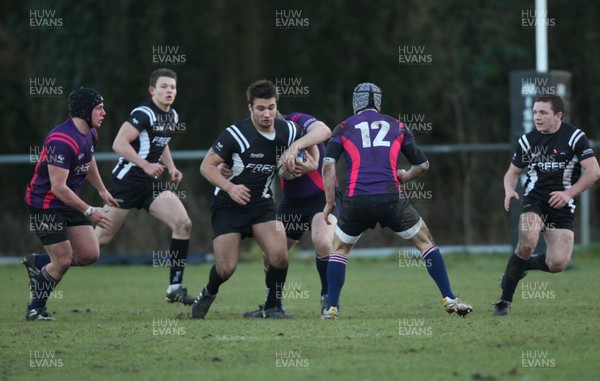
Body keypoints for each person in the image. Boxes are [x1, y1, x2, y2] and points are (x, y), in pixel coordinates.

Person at [22, 68, 194, 305]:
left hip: (149, 185)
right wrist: (143, 165)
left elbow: (161, 142)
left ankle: (175, 286)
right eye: (164, 87)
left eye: (173, 87)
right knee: (96, 245)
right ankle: (44, 262)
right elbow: (119, 144)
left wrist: (171, 167)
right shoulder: (143, 114)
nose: (169, 91)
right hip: (125, 183)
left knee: (183, 223)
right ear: (152, 90)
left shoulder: (172, 116)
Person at [321, 82, 473, 320]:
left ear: (355, 102)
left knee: (339, 250)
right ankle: (450, 298)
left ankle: (331, 308)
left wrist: (330, 202)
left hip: (356, 200)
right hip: (391, 199)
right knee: (425, 243)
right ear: (378, 102)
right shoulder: (398, 125)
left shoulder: (342, 127)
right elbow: (423, 165)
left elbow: (328, 165)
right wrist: (405, 176)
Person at [192, 79, 306, 319]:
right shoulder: (236, 134)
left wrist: (310, 162)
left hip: (262, 203)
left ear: (277, 106)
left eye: (271, 107)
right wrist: (229, 187)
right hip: (228, 205)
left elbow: (320, 133)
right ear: (250, 108)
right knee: (226, 268)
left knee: (280, 254)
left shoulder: (288, 130)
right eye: (260, 108)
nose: (267, 114)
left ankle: (272, 307)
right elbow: (206, 166)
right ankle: (207, 292)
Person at [493, 94, 600, 316]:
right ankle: (504, 302)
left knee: (558, 263)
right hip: (535, 200)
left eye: (543, 112)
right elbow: (512, 173)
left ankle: (519, 267)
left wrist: (568, 193)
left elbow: (594, 171)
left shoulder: (574, 137)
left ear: (558, 115)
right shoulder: (527, 141)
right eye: (534, 112)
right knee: (527, 243)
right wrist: (509, 189)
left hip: (562, 203)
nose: (537, 117)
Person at [23, 87, 118, 320]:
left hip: (67, 202)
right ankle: (36, 309)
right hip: (44, 204)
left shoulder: (90, 133)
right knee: (63, 260)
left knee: (89, 254)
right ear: (85, 111)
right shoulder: (61, 140)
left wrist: (102, 189)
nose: (104, 113)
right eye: (99, 108)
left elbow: (88, 159)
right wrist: (89, 210)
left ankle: (38, 262)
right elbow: (58, 187)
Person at [238, 111, 341, 318]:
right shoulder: (261, 138)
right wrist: (226, 167)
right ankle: (273, 304)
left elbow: (324, 130)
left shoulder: (297, 120)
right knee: (271, 254)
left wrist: (295, 147)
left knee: (322, 242)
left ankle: (327, 298)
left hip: (322, 197)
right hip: (292, 203)